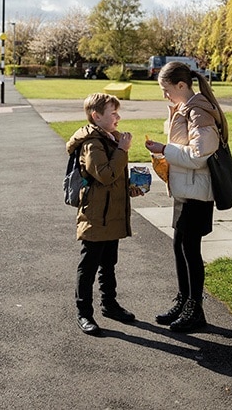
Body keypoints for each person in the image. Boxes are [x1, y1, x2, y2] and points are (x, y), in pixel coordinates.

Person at [144, 61, 227, 332]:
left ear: (182, 85)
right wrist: (162, 152)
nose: (164, 96)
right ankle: (184, 301)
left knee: (190, 250)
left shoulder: (198, 112)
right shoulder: (185, 108)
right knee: (180, 246)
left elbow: (200, 155)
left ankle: (195, 309)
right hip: (185, 189)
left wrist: (164, 149)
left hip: (197, 192)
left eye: (167, 90)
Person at [66, 92, 144, 336]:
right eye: (113, 113)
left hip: (111, 213)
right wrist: (122, 149)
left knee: (109, 263)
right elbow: (105, 174)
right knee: (88, 265)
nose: (118, 116)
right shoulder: (92, 143)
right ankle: (84, 313)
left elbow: (114, 179)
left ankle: (109, 304)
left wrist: (131, 187)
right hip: (96, 215)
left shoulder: (109, 138)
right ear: (96, 116)